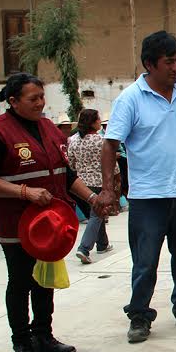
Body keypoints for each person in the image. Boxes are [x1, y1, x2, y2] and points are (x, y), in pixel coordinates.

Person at [94, 31, 176, 344]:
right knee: (145, 261)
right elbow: (109, 145)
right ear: (149, 64)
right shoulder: (130, 99)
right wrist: (107, 189)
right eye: (169, 62)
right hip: (147, 199)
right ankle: (139, 316)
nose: (175, 67)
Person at [0, 73, 94, 352]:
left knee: (45, 279)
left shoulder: (50, 129)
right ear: (13, 101)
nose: (40, 104)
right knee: (20, 281)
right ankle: (22, 342)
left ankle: (44, 334)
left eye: (42, 97)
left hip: (51, 223)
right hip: (17, 223)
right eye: (33, 99)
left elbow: (65, 175)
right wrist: (24, 193)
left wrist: (92, 200)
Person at [67, 108, 114, 264]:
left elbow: (71, 164)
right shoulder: (101, 140)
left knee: (95, 215)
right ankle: (84, 248)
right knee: (96, 216)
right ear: (93, 122)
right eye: (99, 119)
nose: (100, 122)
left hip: (79, 185)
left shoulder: (72, 140)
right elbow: (110, 163)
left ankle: (103, 244)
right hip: (97, 183)